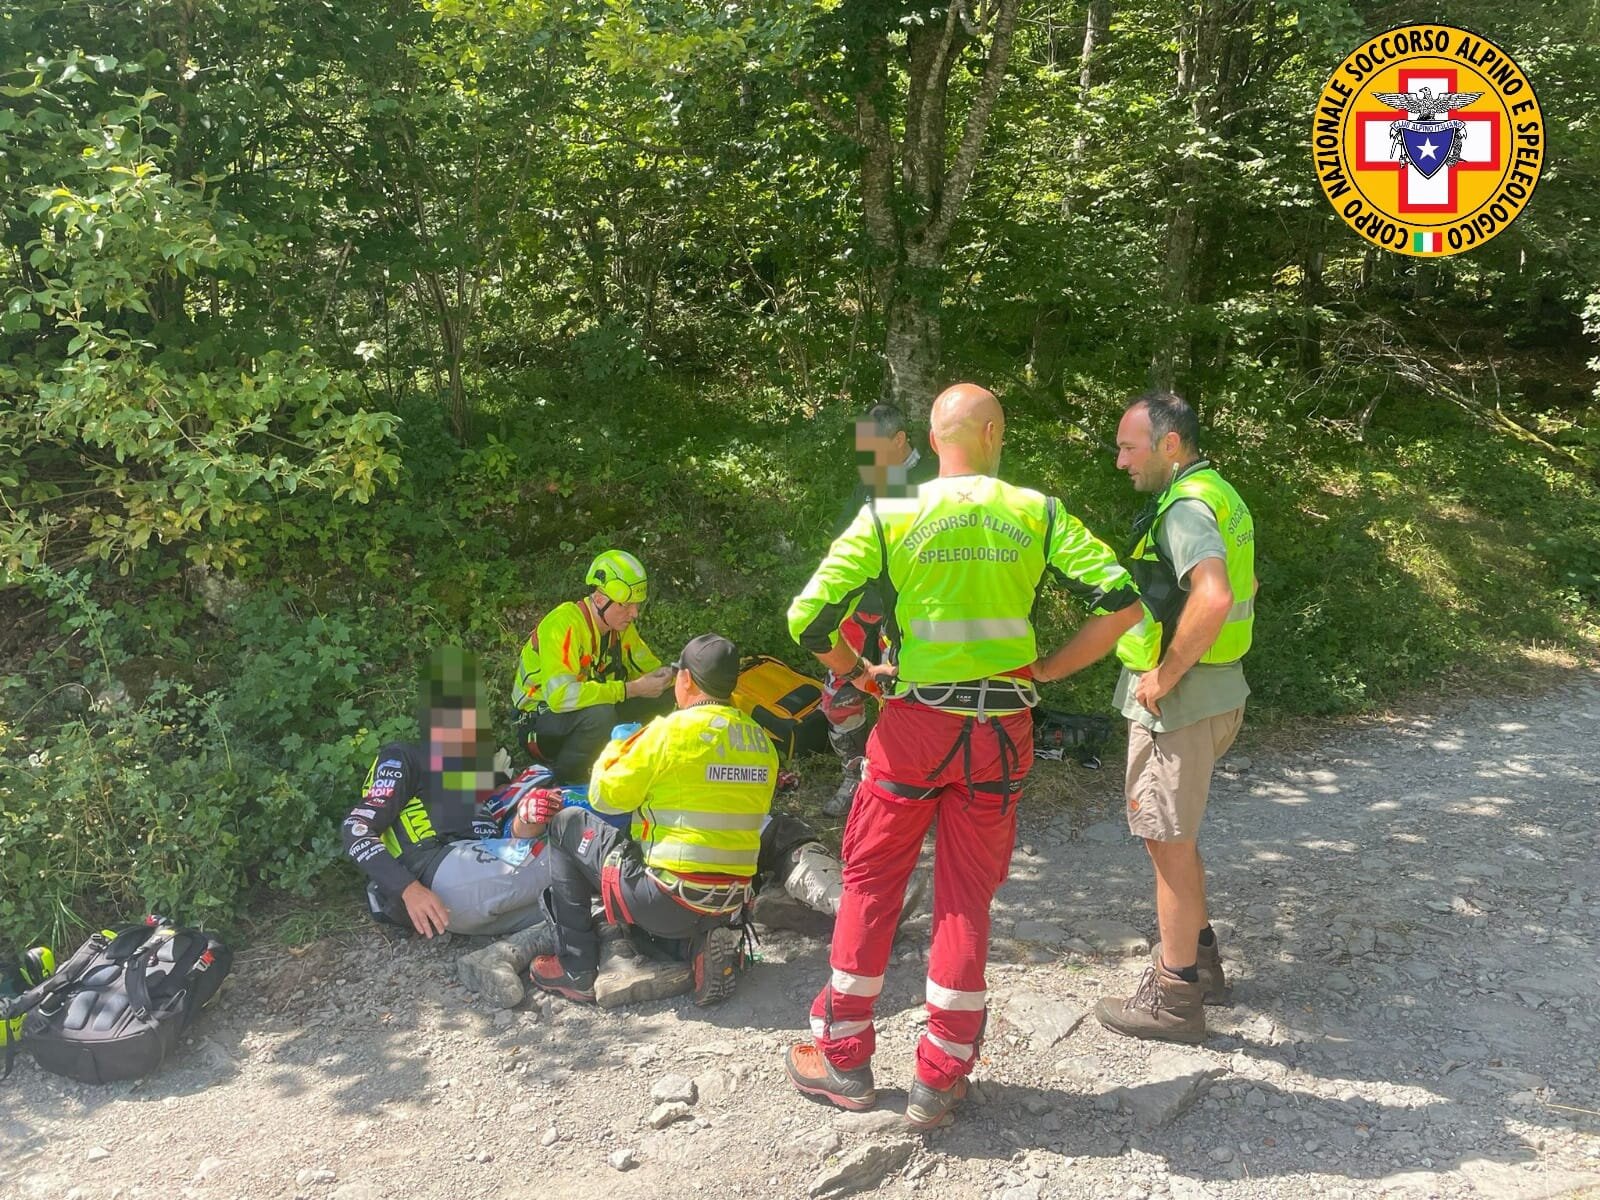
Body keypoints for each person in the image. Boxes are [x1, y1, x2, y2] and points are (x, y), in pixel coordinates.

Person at [782, 383, 1142, 1129]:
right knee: (965, 897)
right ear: (993, 433)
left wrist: (858, 673)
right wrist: (1050, 668)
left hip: (913, 727)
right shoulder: (1037, 512)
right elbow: (1123, 601)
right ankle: (940, 1077)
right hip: (1000, 733)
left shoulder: (890, 513)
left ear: (933, 439)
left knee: (872, 881)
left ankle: (843, 1058)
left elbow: (807, 618)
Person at [1094, 391, 1256, 1044]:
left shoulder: (1187, 507)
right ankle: (1204, 962)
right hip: (1218, 689)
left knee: (1166, 843)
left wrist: (1164, 675)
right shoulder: (1219, 493)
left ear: (1169, 444)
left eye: (1128, 447)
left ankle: (1175, 997)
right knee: (1177, 841)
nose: (1120, 461)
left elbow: (1212, 596)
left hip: (1182, 705)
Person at [529, 633, 778, 1007]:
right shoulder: (761, 741)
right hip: (731, 901)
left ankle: (575, 967)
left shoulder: (668, 732)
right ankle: (697, 948)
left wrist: (617, 747)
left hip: (667, 899)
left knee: (567, 823)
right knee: (667, 867)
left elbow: (603, 797)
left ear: (686, 680)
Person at [343, 648, 556, 944]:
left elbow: (506, 847)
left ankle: (501, 957)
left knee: (579, 901)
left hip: (477, 895)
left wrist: (528, 819)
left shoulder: (478, 777)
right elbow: (355, 829)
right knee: (577, 854)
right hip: (435, 872)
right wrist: (408, 889)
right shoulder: (406, 756)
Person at [820, 404, 940, 817]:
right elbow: (842, 545)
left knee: (906, 701)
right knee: (840, 697)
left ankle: (906, 788)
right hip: (858, 614)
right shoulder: (868, 484)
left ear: (900, 440)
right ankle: (854, 777)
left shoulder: (936, 482)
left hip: (910, 617)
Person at [511, 550, 675, 783]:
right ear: (599, 600)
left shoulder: (620, 627)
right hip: (538, 723)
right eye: (626, 605)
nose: (634, 614)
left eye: (637, 605)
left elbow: (648, 669)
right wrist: (630, 689)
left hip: (585, 710)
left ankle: (640, 769)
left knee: (666, 695)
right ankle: (569, 780)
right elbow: (560, 697)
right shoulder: (563, 624)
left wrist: (672, 677)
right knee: (599, 714)